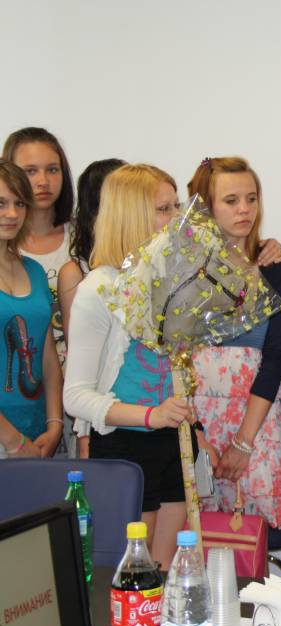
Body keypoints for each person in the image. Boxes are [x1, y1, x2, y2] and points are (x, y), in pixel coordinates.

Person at [63, 164, 193, 568]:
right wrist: (151, 415)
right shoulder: (97, 289)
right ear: (132, 216)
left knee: (168, 573)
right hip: (125, 446)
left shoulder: (168, 280)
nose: (176, 218)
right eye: (164, 209)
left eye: (176, 206)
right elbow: (75, 397)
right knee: (134, 576)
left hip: (173, 439)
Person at [187, 156, 281, 529]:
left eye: (251, 199)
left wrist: (244, 442)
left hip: (255, 425)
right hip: (193, 425)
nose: (245, 209)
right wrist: (196, 437)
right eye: (231, 200)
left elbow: (277, 358)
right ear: (205, 207)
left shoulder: (278, 271)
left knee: (250, 541)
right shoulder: (181, 272)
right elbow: (171, 359)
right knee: (191, 539)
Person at [57, 158, 127, 459]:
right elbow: (83, 359)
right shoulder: (80, 273)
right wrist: (85, 433)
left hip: (132, 413)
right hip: (98, 416)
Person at [0, 160, 63, 458]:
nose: (12, 214)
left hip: (36, 430)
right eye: (1, 203)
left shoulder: (35, 271)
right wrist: (12, 440)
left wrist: (55, 424)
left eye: (20, 204)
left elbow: (48, 354)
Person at [2, 128, 75, 367]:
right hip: (21, 376)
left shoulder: (85, 240)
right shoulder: (6, 249)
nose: (43, 181)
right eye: (30, 171)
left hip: (81, 378)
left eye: (52, 169)